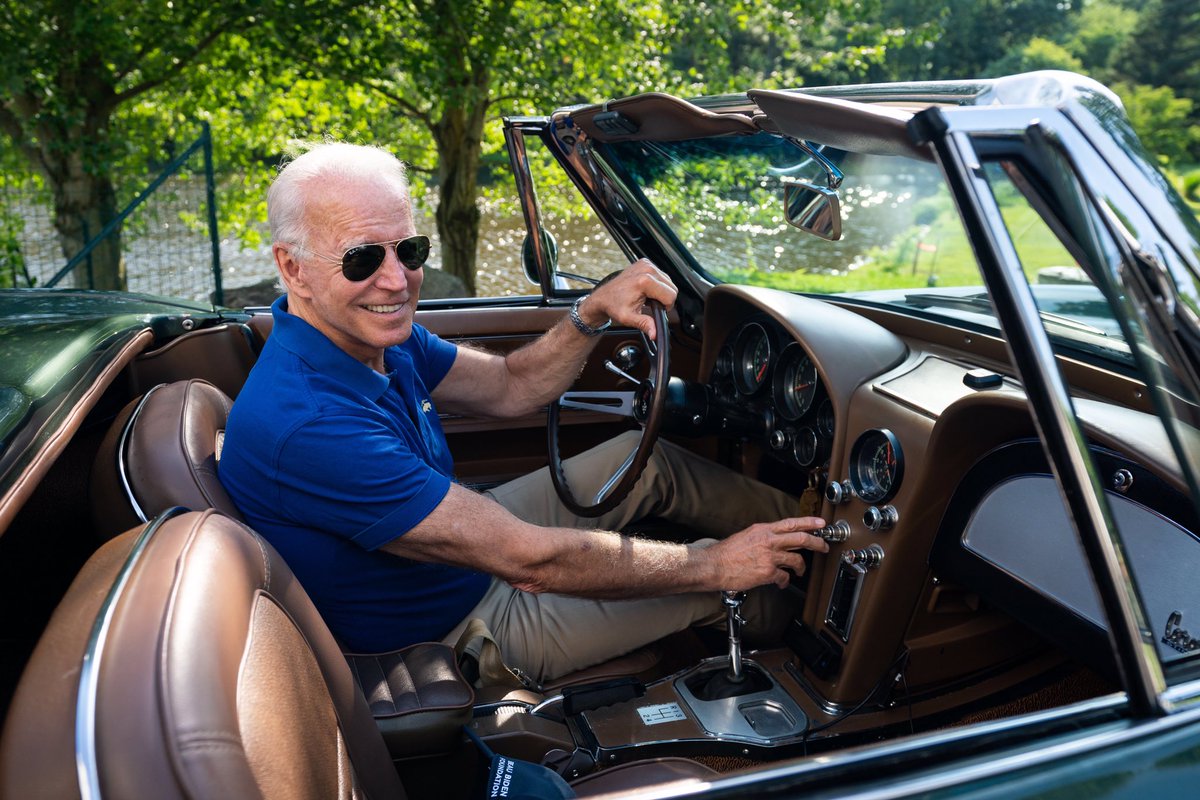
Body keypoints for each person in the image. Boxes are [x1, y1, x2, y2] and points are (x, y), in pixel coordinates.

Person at [219, 141, 829, 686]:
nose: (396, 280)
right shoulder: (308, 423)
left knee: (645, 465)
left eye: (408, 249)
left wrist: (589, 313)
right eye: (361, 260)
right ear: (292, 267)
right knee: (744, 593)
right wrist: (717, 563)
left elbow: (511, 386)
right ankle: (837, 659)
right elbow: (529, 560)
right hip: (458, 624)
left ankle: (823, 532)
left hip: (464, 553)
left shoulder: (372, 337)